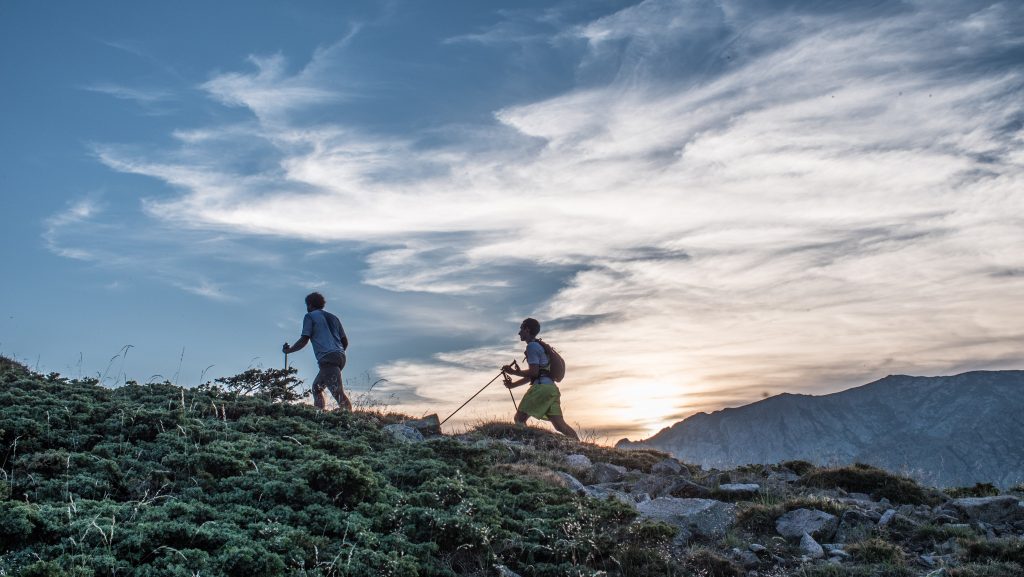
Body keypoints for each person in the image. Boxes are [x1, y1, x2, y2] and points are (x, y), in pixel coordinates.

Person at [502, 318, 578, 440]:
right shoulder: (540, 346)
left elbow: (534, 372)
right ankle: (581, 446)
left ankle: (527, 445)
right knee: (560, 426)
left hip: (541, 388)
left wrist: (514, 372)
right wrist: (513, 385)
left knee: (519, 419)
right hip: (551, 389)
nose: (519, 332)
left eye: (521, 329)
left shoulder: (531, 346)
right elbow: (536, 375)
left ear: (527, 330)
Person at [283, 292, 352, 411]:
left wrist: (288, 350)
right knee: (317, 387)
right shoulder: (334, 317)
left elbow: (304, 340)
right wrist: (337, 353)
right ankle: (318, 413)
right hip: (340, 356)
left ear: (310, 304)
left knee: (337, 392)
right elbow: (344, 341)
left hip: (327, 357)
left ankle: (348, 415)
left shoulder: (309, 316)